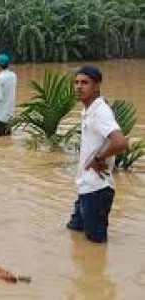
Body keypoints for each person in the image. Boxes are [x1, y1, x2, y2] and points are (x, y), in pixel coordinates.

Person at [66, 66, 127, 243]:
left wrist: (98, 158)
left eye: (85, 83)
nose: (78, 87)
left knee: (96, 245)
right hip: (86, 186)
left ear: (97, 86)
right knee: (75, 231)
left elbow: (120, 142)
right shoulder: (89, 109)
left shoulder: (100, 112)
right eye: (76, 83)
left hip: (97, 190)